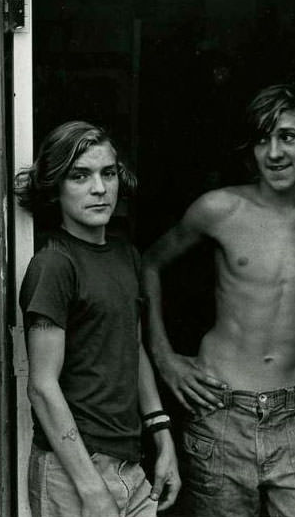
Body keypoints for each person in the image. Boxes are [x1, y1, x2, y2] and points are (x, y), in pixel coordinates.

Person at [142, 84, 295, 517]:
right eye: (262, 139)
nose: (273, 152)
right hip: (221, 415)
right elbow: (149, 265)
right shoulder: (220, 209)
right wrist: (163, 357)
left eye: (288, 136)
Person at [16, 121, 180, 517]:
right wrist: (91, 489)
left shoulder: (127, 256)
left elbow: (132, 346)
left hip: (131, 467)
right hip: (75, 471)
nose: (99, 188)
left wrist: (163, 436)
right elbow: (41, 386)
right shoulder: (55, 264)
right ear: (56, 186)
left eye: (108, 173)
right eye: (80, 176)